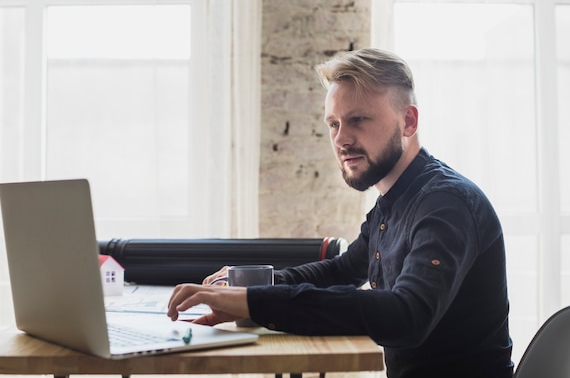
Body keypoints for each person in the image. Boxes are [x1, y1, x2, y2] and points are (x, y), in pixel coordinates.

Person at [167, 48, 513, 378]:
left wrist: (256, 302)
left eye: (358, 120)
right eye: (333, 124)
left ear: (408, 121)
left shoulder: (446, 204)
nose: (341, 139)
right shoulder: (393, 200)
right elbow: (344, 269)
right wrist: (257, 287)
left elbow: (407, 315)